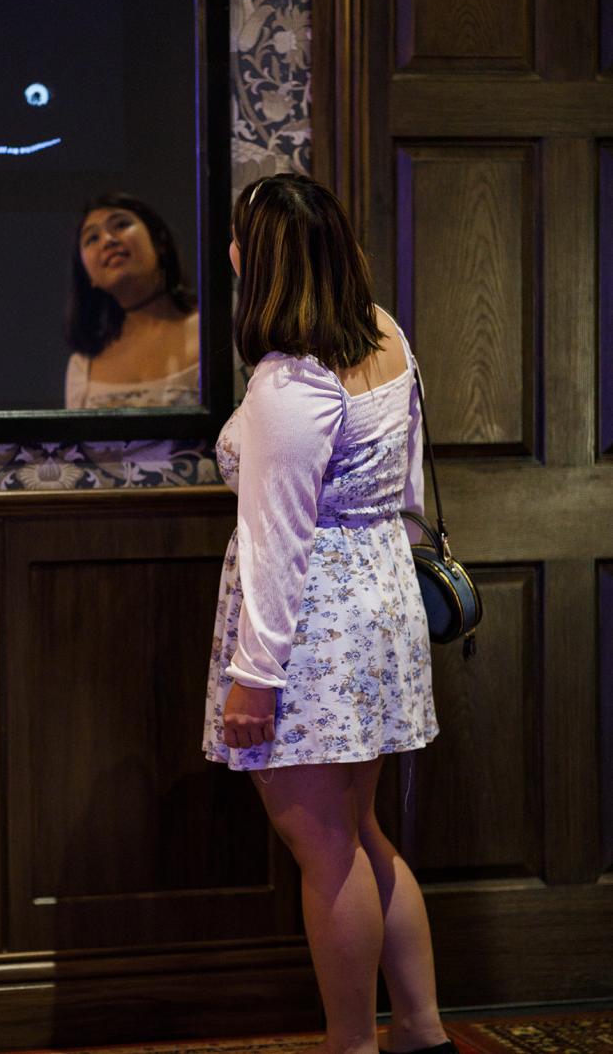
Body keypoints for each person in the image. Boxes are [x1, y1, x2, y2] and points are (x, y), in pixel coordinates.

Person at [203, 173, 455, 1054]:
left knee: (326, 852)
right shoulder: (383, 332)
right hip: (378, 599)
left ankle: (351, 1045)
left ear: (259, 262)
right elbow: (407, 478)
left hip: (311, 628)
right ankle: (421, 1032)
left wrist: (254, 682)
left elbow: (276, 545)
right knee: (363, 834)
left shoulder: (289, 382)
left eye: (239, 239)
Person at [64, 194, 200, 409]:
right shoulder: (83, 366)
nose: (108, 240)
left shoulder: (216, 331)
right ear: (88, 276)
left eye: (121, 224)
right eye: (92, 239)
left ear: (159, 242)